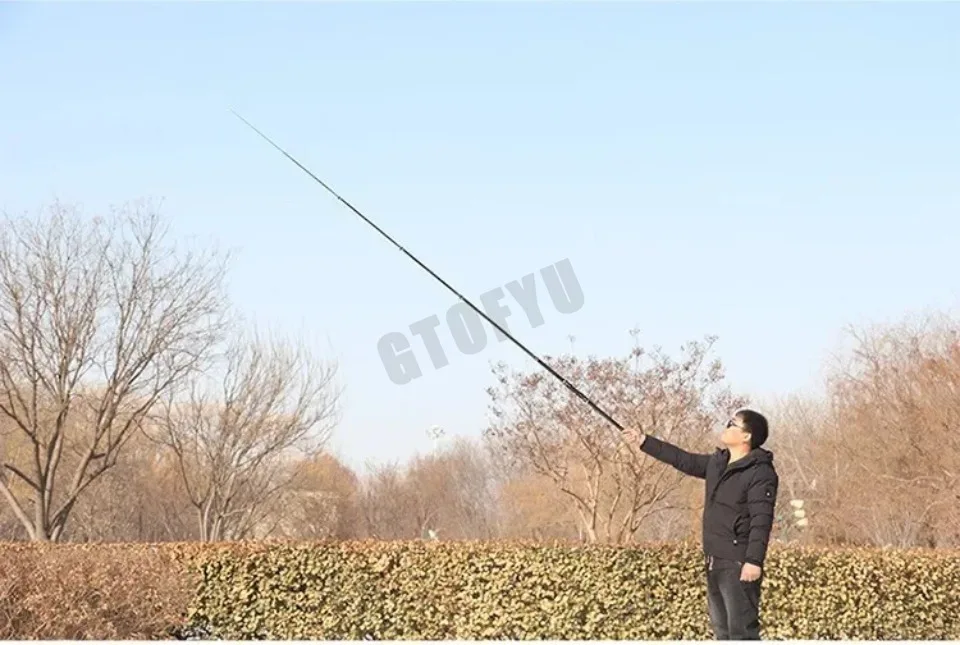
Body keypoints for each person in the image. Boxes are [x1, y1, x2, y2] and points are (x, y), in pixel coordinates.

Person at [625, 408, 778, 640]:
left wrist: (753, 561)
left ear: (747, 436)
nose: (726, 426)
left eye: (732, 423)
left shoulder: (760, 473)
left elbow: (761, 520)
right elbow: (683, 459)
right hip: (713, 558)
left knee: (742, 633)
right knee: (722, 631)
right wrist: (644, 441)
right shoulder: (718, 464)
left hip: (738, 562)